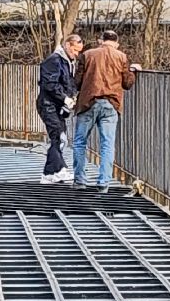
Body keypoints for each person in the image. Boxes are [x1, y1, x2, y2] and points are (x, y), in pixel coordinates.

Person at [72, 29, 139, 189]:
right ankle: (104, 182)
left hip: (88, 102)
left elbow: (77, 82)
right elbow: (127, 84)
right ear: (116, 43)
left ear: (100, 41)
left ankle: (80, 180)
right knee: (107, 144)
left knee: (80, 142)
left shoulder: (87, 54)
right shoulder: (121, 57)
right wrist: (133, 71)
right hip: (111, 104)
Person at [36, 32, 83, 183]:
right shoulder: (54, 60)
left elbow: (68, 83)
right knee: (59, 136)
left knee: (59, 137)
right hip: (49, 104)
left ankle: (51, 172)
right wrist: (65, 98)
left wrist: (71, 97)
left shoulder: (66, 62)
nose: (76, 54)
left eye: (78, 51)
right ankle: (56, 170)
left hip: (55, 105)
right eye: (75, 50)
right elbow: (49, 84)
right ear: (67, 45)